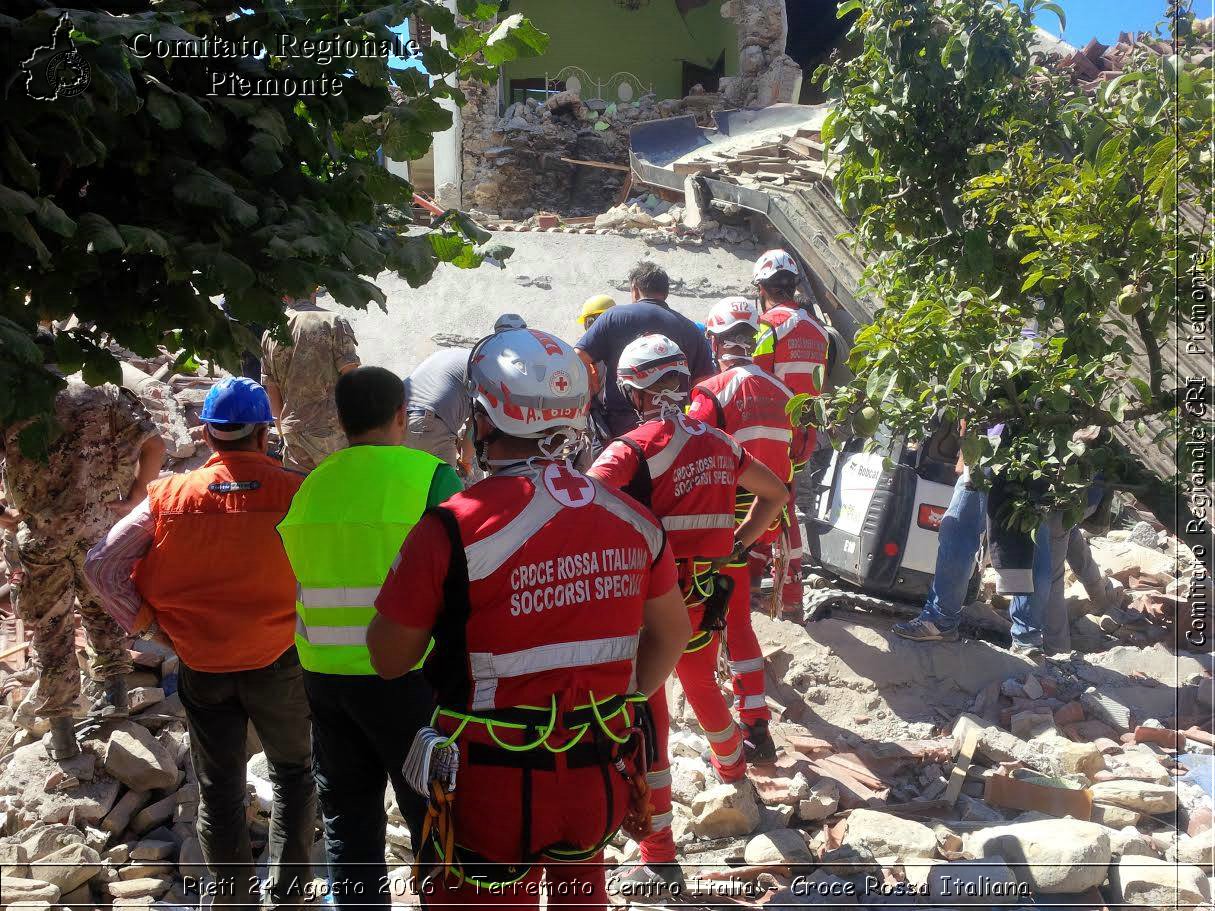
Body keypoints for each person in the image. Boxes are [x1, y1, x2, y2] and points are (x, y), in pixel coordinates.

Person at [366, 328, 690, 909]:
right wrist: (619, 697)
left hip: (493, 792)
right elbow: (673, 634)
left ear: (484, 417)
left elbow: (388, 660)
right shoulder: (632, 519)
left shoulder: (451, 525)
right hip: (599, 776)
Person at [85, 377, 316, 908]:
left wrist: (148, 626)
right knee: (295, 775)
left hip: (202, 664)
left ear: (209, 435)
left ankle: (232, 899)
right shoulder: (298, 492)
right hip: (279, 659)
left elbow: (102, 565)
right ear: (264, 434)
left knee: (219, 787)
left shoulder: (168, 496)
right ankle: (290, 896)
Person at [588, 335, 786, 891]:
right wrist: (741, 545)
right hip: (708, 598)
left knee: (650, 716)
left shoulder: (632, 447)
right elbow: (774, 494)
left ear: (632, 388)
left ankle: (658, 844)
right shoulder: (720, 443)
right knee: (701, 685)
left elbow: (580, 507)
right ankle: (734, 773)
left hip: (651, 607)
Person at [278, 366, 462, 911]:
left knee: (347, 815)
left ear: (340, 420)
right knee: (430, 810)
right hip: (409, 676)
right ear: (402, 416)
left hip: (325, 679)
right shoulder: (429, 477)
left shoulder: (313, 486)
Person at [3, 351, 164, 758]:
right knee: (105, 611)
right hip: (99, 531)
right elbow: (155, 444)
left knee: (51, 632)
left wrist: (4, 515)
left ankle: (62, 735)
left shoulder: (14, 401)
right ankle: (115, 702)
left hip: (42, 536)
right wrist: (136, 497)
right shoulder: (103, 394)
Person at [687, 298, 795, 762]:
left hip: (722, 524)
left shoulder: (711, 392)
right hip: (768, 521)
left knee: (717, 618)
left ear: (714, 341)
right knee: (739, 617)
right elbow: (799, 457)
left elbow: (690, 452)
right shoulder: (787, 394)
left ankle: (746, 722)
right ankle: (750, 717)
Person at [750, 251, 831, 618]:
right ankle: (790, 590)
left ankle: (758, 584)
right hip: (803, 437)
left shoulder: (767, 327)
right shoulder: (817, 331)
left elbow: (754, 378)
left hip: (768, 433)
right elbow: (818, 387)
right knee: (785, 505)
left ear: (763, 289)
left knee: (763, 505)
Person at [575, 262, 714, 440]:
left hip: (619, 426)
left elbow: (578, 357)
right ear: (665, 292)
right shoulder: (691, 329)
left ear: (635, 289)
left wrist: (592, 389)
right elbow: (704, 384)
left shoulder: (614, 317)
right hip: (674, 427)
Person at [261, 291, 361, 472]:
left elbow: (272, 388)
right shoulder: (333, 321)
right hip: (330, 430)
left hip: (292, 432)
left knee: (303, 494)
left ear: (284, 296)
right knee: (340, 491)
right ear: (314, 290)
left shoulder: (270, 332)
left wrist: (282, 430)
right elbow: (352, 380)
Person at [402, 347, 474, 477]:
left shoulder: (453, 355)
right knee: (448, 493)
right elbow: (474, 429)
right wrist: (466, 462)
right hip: (426, 422)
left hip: (395, 420)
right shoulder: (485, 371)